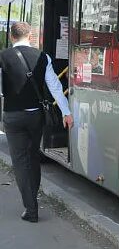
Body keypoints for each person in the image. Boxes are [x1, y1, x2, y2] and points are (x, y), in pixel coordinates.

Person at [0, 22, 74, 222]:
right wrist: (66, 112)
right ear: (30, 36)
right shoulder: (43, 57)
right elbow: (55, 87)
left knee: (20, 162)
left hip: (12, 117)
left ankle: (31, 208)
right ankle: (33, 198)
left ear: (11, 36)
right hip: (35, 117)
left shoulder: (3, 57)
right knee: (33, 157)